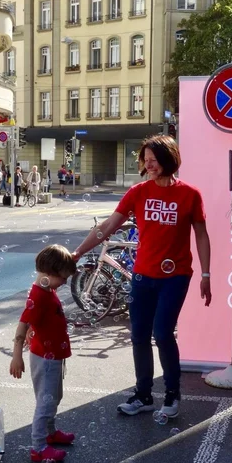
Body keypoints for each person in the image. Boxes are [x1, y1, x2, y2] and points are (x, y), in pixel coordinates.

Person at [71, 135, 211, 418]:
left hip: (175, 276)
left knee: (162, 333)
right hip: (142, 276)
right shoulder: (137, 192)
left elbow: (201, 234)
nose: (150, 165)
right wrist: (77, 252)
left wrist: (206, 273)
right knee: (138, 335)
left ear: (169, 159)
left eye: (155, 160)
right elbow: (109, 225)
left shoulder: (190, 194)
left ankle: (172, 395)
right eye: (146, 160)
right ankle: (143, 395)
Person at [9, 244, 77, 463]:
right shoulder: (39, 295)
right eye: (63, 278)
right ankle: (38, 446)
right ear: (49, 275)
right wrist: (16, 355)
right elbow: (22, 325)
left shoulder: (48, 289)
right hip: (45, 358)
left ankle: (50, 432)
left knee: (55, 397)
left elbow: (38, 321)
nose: (65, 282)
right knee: (46, 402)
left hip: (54, 355)